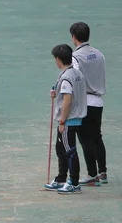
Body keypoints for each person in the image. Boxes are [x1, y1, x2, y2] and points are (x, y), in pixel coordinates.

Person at [44, 44, 87, 195]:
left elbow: (68, 100)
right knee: (60, 149)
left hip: (68, 120)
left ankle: (74, 183)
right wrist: (56, 93)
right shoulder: (76, 73)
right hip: (75, 117)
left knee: (70, 151)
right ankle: (62, 178)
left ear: (58, 59)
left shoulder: (66, 77)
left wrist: (62, 122)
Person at [70, 22, 108, 186]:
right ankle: (103, 173)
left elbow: (75, 78)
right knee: (97, 137)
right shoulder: (99, 54)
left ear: (74, 37)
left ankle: (92, 175)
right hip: (98, 101)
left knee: (85, 140)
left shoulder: (75, 56)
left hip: (84, 101)